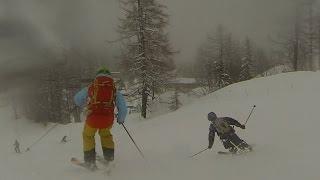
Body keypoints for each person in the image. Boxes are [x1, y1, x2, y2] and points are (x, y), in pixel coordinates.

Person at [74, 67, 128, 170]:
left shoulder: (92, 86)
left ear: (97, 76)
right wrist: (120, 119)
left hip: (92, 119)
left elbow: (77, 99)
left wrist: (84, 104)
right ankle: (109, 159)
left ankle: (90, 162)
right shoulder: (113, 89)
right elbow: (123, 108)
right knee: (106, 135)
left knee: (88, 136)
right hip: (107, 120)